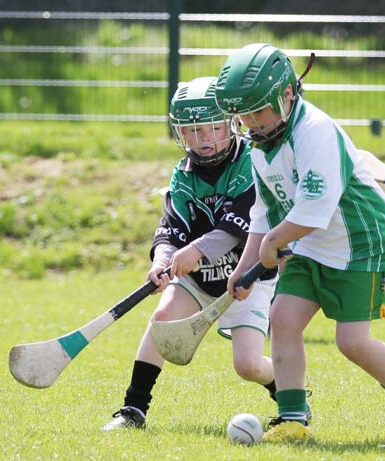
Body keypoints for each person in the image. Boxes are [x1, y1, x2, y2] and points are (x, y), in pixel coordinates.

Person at [215, 43, 385, 442]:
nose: (250, 121)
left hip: (360, 243)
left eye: (257, 110)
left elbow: (314, 209)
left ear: (286, 96)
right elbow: (266, 212)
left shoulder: (314, 132)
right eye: (242, 113)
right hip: (307, 242)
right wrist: (247, 266)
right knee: (282, 319)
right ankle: (293, 418)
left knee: (351, 342)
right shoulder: (261, 146)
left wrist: (272, 245)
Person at [102, 76, 281, 431]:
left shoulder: (252, 161)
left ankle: (290, 394)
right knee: (163, 316)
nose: (205, 140)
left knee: (247, 365)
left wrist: (196, 250)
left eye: (214, 128)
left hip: (247, 275)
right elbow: (171, 227)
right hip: (199, 279)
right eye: (194, 131)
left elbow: (238, 225)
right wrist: (163, 261)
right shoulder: (182, 175)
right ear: (180, 133)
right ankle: (133, 410)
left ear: (231, 123)